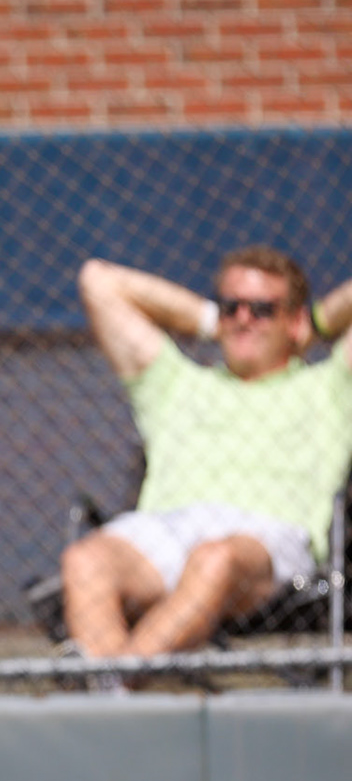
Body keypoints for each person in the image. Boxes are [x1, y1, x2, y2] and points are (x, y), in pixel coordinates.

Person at [66, 250, 352, 667]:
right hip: (167, 529)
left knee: (214, 558)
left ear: (293, 321)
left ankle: (113, 684)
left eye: (262, 309)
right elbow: (98, 280)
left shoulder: (330, 389)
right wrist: (205, 319)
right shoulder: (176, 383)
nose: (242, 319)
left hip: (268, 542)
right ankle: (115, 699)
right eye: (230, 306)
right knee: (85, 560)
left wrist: (319, 322)